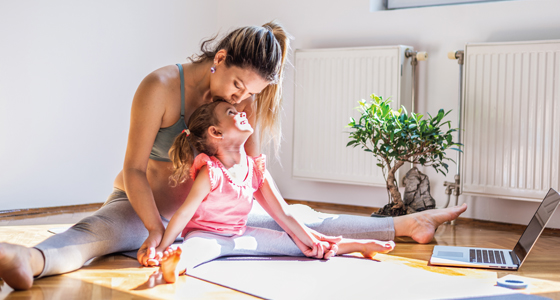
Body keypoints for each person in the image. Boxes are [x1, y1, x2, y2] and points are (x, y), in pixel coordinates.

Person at [0, 21, 467, 290]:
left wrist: (291, 223)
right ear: (220, 58)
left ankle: (406, 224)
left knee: (303, 219)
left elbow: (254, 176)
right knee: (94, 233)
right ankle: (28, 259)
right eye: (239, 85)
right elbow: (134, 170)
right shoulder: (160, 86)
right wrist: (158, 231)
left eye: (255, 93)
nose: (244, 99)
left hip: (212, 211)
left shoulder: (247, 102)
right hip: (146, 208)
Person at [154, 100, 396, 283]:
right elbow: (184, 214)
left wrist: (309, 238)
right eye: (231, 112)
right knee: (195, 251)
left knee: (297, 243)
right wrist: (162, 246)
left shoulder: (255, 169)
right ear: (216, 133)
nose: (241, 112)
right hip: (206, 235)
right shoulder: (212, 172)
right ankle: (173, 265)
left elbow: (285, 215)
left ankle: (356, 246)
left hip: (240, 235)